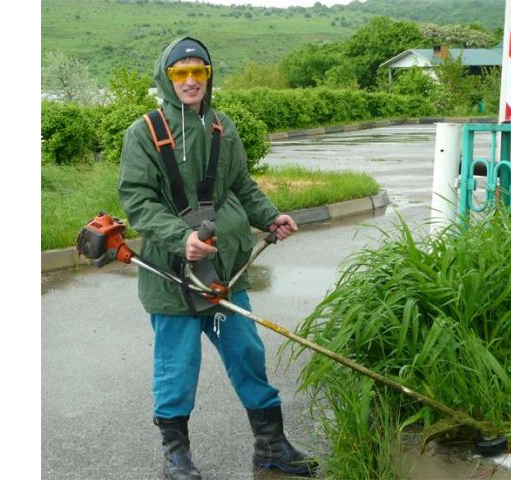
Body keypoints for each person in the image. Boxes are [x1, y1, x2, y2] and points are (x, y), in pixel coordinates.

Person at [118, 37, 317, 480]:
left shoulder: (222, 127)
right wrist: (179, 237)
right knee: (178, 366)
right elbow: (137, 200)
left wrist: (270, 217)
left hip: (226, 270)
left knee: (247, 351)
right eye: (180, 73)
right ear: (166, 78)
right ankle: (176, 456)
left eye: (199, 72)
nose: (191, 81)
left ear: (209, 76)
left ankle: (271, 447)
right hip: (172, 277)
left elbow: (242, 186)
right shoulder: (144, 132)